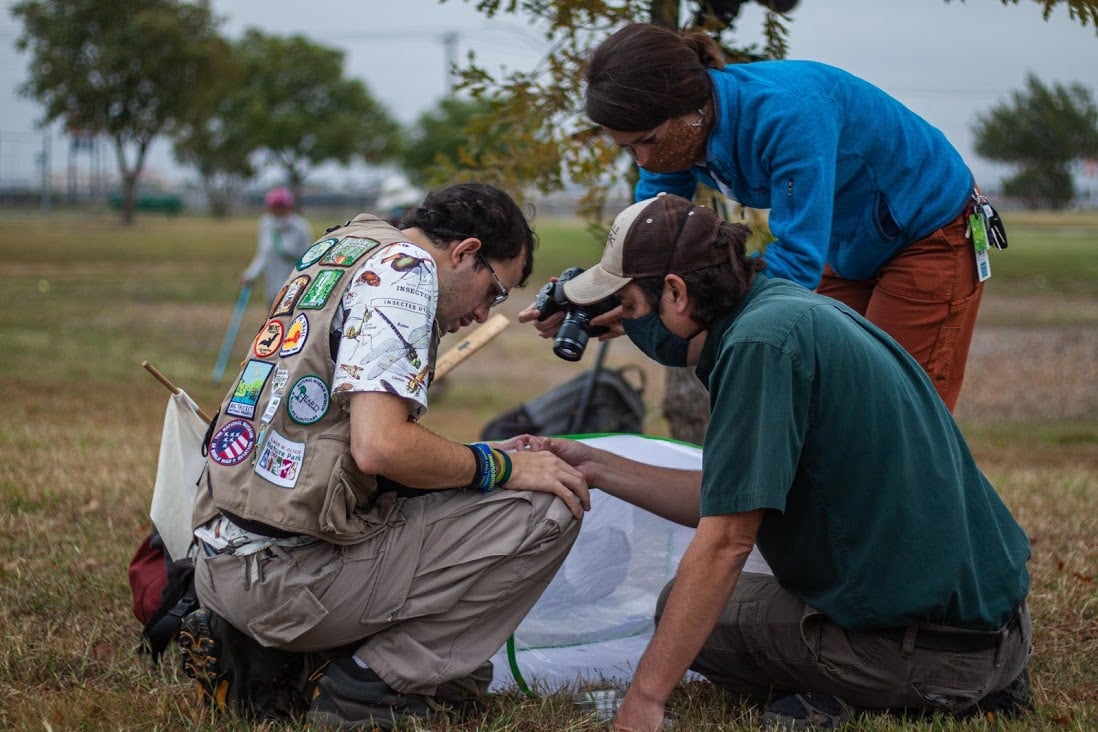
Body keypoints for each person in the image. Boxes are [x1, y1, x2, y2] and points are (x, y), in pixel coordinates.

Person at [522, 193, 1031, 731]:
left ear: (675, 291)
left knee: (693, 615)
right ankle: (943, 680)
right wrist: (597, 466)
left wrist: (644, 700)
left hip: (936, 653)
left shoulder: (759, 348)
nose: (626, 325)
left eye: (628, 308)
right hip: (999, 630)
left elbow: (727, 540)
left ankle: (898, 692)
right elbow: (725, 493)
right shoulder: (785, 309)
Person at [181, 182, 589, 729]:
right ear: (465, 252)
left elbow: (344, 440)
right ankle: (375, 685)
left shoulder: (345, 245)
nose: (483, 312)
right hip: (283, 581)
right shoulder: (406, 272)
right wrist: (504, 467)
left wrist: (483, 456)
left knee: (487, 486)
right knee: (551, 508)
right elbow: (381, 447)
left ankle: (286, 659)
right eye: (494, 291)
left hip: (220, 557)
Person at [528, 22, 1004, 412]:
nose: (644, 160)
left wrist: (676, 307)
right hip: (849, 241)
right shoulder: (680, 135)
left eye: (648, 140)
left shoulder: (788, 116)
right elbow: (647, 239)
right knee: (822, 398)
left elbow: (794, 264)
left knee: (897, 408)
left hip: (930, 231)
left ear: (690, 110)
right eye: (626, 147)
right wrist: (605, 299)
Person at [241, 186, 315, 305]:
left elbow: (309, 259)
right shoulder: (265, 225)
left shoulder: (301, 228)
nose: (277, 210)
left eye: (281, 206)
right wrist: (251, 274)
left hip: (294, 285)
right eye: (274, 207)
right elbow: (263, 255)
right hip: (272, 286)